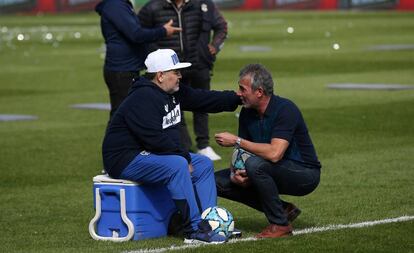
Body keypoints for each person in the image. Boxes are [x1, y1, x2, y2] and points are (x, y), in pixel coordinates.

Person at [102, 49, 241, 243]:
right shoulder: (142, 97)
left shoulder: (173, 91)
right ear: (160, 76)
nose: (180, 76)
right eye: (175, 72)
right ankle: (193, 230)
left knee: (203, 164)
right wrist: (183, 157)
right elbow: (154, 138)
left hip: (147, 152)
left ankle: (210, 223)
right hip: (124, 158)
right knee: (177, 165)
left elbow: (203, 99)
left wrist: (235, 98)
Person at [214, 64, 321, 238]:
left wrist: (236, 140)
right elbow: (243, 154)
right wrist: (236, 173)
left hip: (304, 173)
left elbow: (274, 153)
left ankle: (280, 225)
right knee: (215, 180)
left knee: (255, 165)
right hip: (267, 168)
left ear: (259, 92)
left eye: (243, 89)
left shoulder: (286, 109)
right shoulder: (247, 113)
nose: (238, 93)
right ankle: (283, 210)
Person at [138, 0, 228, 161]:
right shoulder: (152, 7)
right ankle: (184, 145)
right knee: (174, 106)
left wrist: (214, 46)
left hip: (199, 63)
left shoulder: (202, 4)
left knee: (202, 103)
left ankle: (203, 145)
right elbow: (139, 33)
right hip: (170, 68)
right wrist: (152, 53)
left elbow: (221, 25)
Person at [95, 0, 180, 125]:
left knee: (128, 113)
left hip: (125, 68)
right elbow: (135, 34)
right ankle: (115, 143)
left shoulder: (120, 5)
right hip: (121, 69)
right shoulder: (116, 5)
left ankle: (124, 143)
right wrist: (163, 31)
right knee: (122, 115)